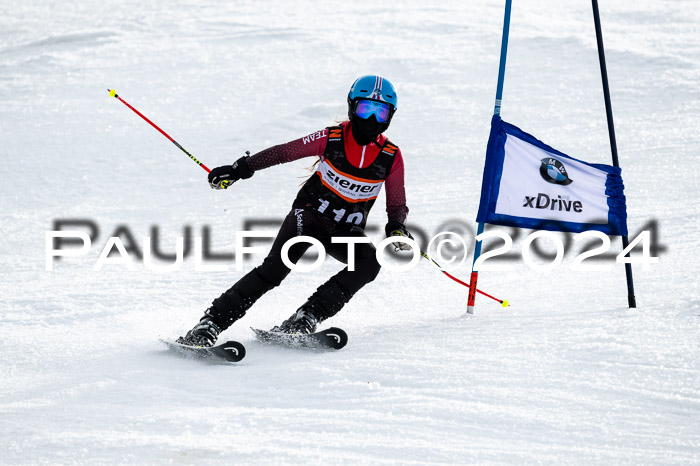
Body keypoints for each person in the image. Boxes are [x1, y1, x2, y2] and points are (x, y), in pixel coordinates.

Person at [178, 75, 412, 347]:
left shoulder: (390, 156)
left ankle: (306, 317)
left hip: (345, 230)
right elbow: (283, 152)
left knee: (370, 262)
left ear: (390, 116)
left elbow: (396, 203)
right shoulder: (331, 138)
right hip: (309, 216)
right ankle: (209, 324)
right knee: (274, 271)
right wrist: (239, 169)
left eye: (380, 112)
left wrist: (397, 226)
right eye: (365, 109)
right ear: (352, 107)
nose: (371, 119)